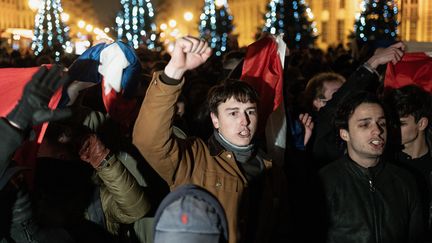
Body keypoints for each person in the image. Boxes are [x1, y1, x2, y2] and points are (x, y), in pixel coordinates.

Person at [133, 36, 288, 243]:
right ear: (215, 119)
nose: (244, 121)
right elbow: (148, 140)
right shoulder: (194, 158)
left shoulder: (271, 168)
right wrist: (174, 72)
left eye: (250, 112)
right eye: (233, 113)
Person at [319, 91, 424, 243]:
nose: (378, 131)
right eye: (364, 124)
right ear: (344, 134)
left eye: (381, 123)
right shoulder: (324, 182)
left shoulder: (405, 181)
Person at [384, 84, 432, 237]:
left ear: (422, 124)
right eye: (391, 123)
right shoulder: (383, 163)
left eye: (401, 123)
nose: (392, 129)